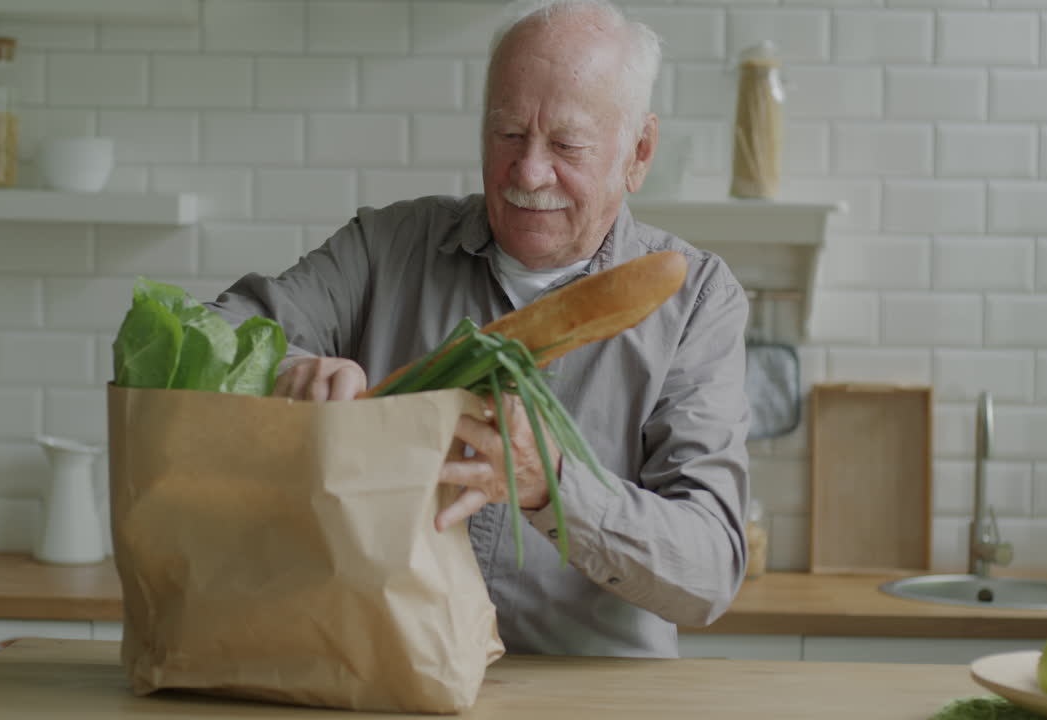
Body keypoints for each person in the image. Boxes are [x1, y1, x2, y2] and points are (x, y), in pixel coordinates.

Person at [207, 0, 750, 658]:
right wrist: (288, 368)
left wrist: (553, 485)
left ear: (639, 152)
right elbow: (216, 329)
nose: (529, 171)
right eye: (508, 133)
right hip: (382, 675)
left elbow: (708, 571)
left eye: (567, 145)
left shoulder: (697, 300)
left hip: (587, 693)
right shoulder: (385, 247)